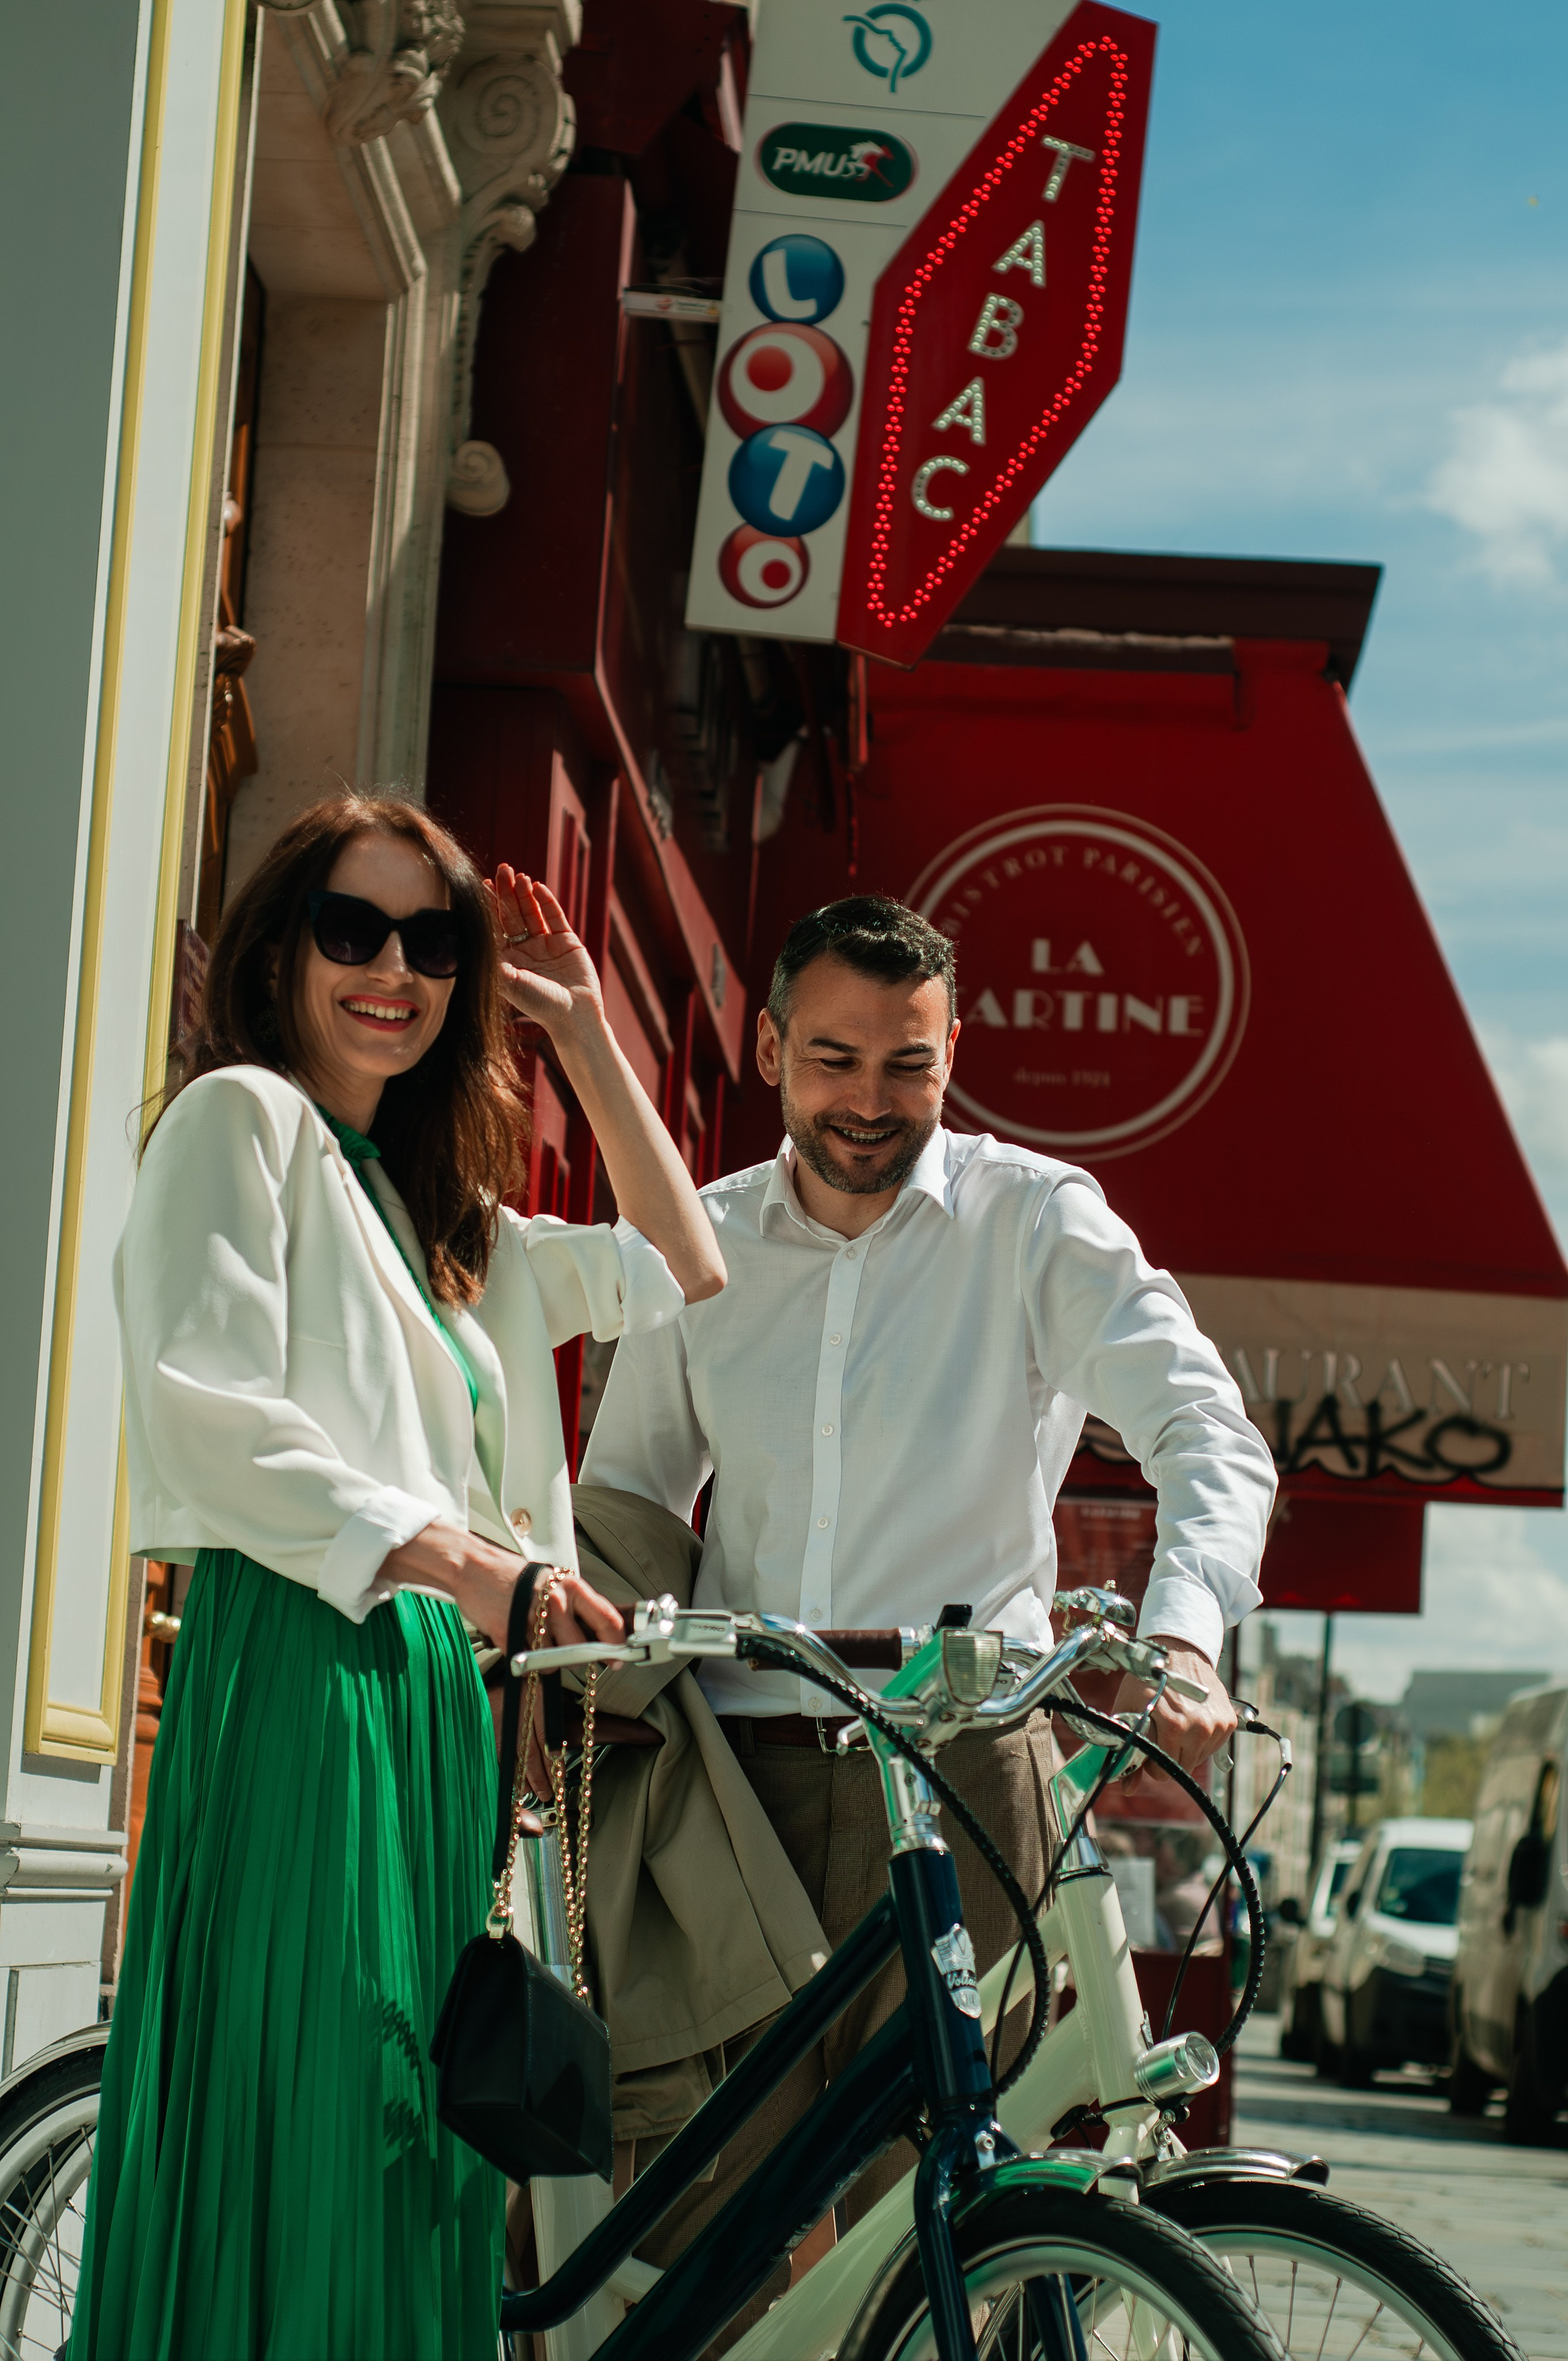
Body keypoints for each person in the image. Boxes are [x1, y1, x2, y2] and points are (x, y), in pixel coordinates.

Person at [70, 795, 725, 2361]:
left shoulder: (440, 1222)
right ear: (278, 950)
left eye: (432, 944)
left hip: (441, 1697)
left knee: (410, 2135)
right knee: (321, 2100)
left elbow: (687, 1261)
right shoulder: (238, 1120)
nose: (393, 971)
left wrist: (580, 1031)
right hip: (310, 1662)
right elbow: (207, 1409)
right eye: (351, 929)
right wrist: (468, 1564)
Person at [581, 893, 1276, 2311]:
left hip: (968, 1782)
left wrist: (1184, 1639)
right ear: (769, 1048)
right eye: (832, 1058)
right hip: (734, 1797)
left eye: (907, 1063)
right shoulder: (698, 1236)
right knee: (719, 2225)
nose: (868, 1100)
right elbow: (628, 1506)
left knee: (953, 2221)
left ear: (952, 1052)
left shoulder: (1032, 1221)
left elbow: (1205, 1430)